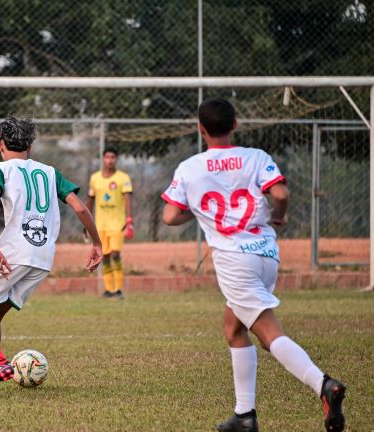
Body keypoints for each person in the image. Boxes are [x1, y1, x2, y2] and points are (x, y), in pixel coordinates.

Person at [161, 98, 346, 432]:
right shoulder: (256, 157)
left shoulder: (190, 168)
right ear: (235, 125)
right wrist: (279, 217)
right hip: (266, 253)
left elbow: (171, 215)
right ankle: (244, 416)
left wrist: (200, 211)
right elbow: (280, 194)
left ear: (201, 129)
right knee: (234, 328)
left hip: (234, 260)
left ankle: (324, 385)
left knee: (269, 335)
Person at [0, 116, 103, 397]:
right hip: (41, 258)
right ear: (30, 145)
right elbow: (81, 208)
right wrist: (96, 242)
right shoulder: (49, 172)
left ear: (0, 144)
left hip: (12, 252)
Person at [86, 148, 133, 300]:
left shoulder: (123, 178)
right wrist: (86, 221)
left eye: (113, 157)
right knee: (104, 256)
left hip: (117, 224)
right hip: (100, 225)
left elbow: (127, 199)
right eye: (107, 157)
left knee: (115, 254)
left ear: (116, 159)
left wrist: (129, 220)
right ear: (103, 159)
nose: (110, 160)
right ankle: (109, 289)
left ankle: (119, 288)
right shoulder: (95, 178)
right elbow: (90, 199)